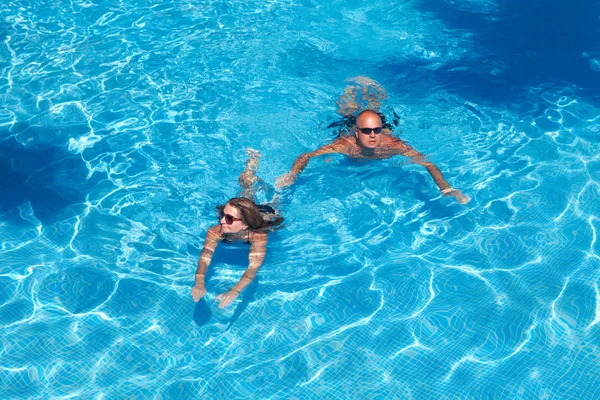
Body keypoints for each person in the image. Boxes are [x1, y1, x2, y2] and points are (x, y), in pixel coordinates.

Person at [276, 78, 470, 204]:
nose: (372, 135)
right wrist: (292, 174)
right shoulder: (345, 145)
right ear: (357, 133)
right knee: (346, 111)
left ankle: (374, 88)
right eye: (367, 131)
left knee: (377, 110)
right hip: (350, 125)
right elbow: (306, 155)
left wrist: (446, 188)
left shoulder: (392, 145)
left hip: (378, 126)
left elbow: (427, 163)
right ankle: (350, 89)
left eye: (376, 131)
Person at [192, 150, 283, 308]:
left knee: (276, 201)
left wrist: (235, 290)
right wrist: (199, 283)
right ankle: (251, 164)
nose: (221, 220)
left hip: (265, 214)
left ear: (245, 225)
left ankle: (280, 185)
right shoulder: (216, 231)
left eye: (228, 218)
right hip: (245, 216)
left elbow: (253, 268)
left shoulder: (258, 236)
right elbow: (204, 260)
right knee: (246, 191)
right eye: (223, 215)